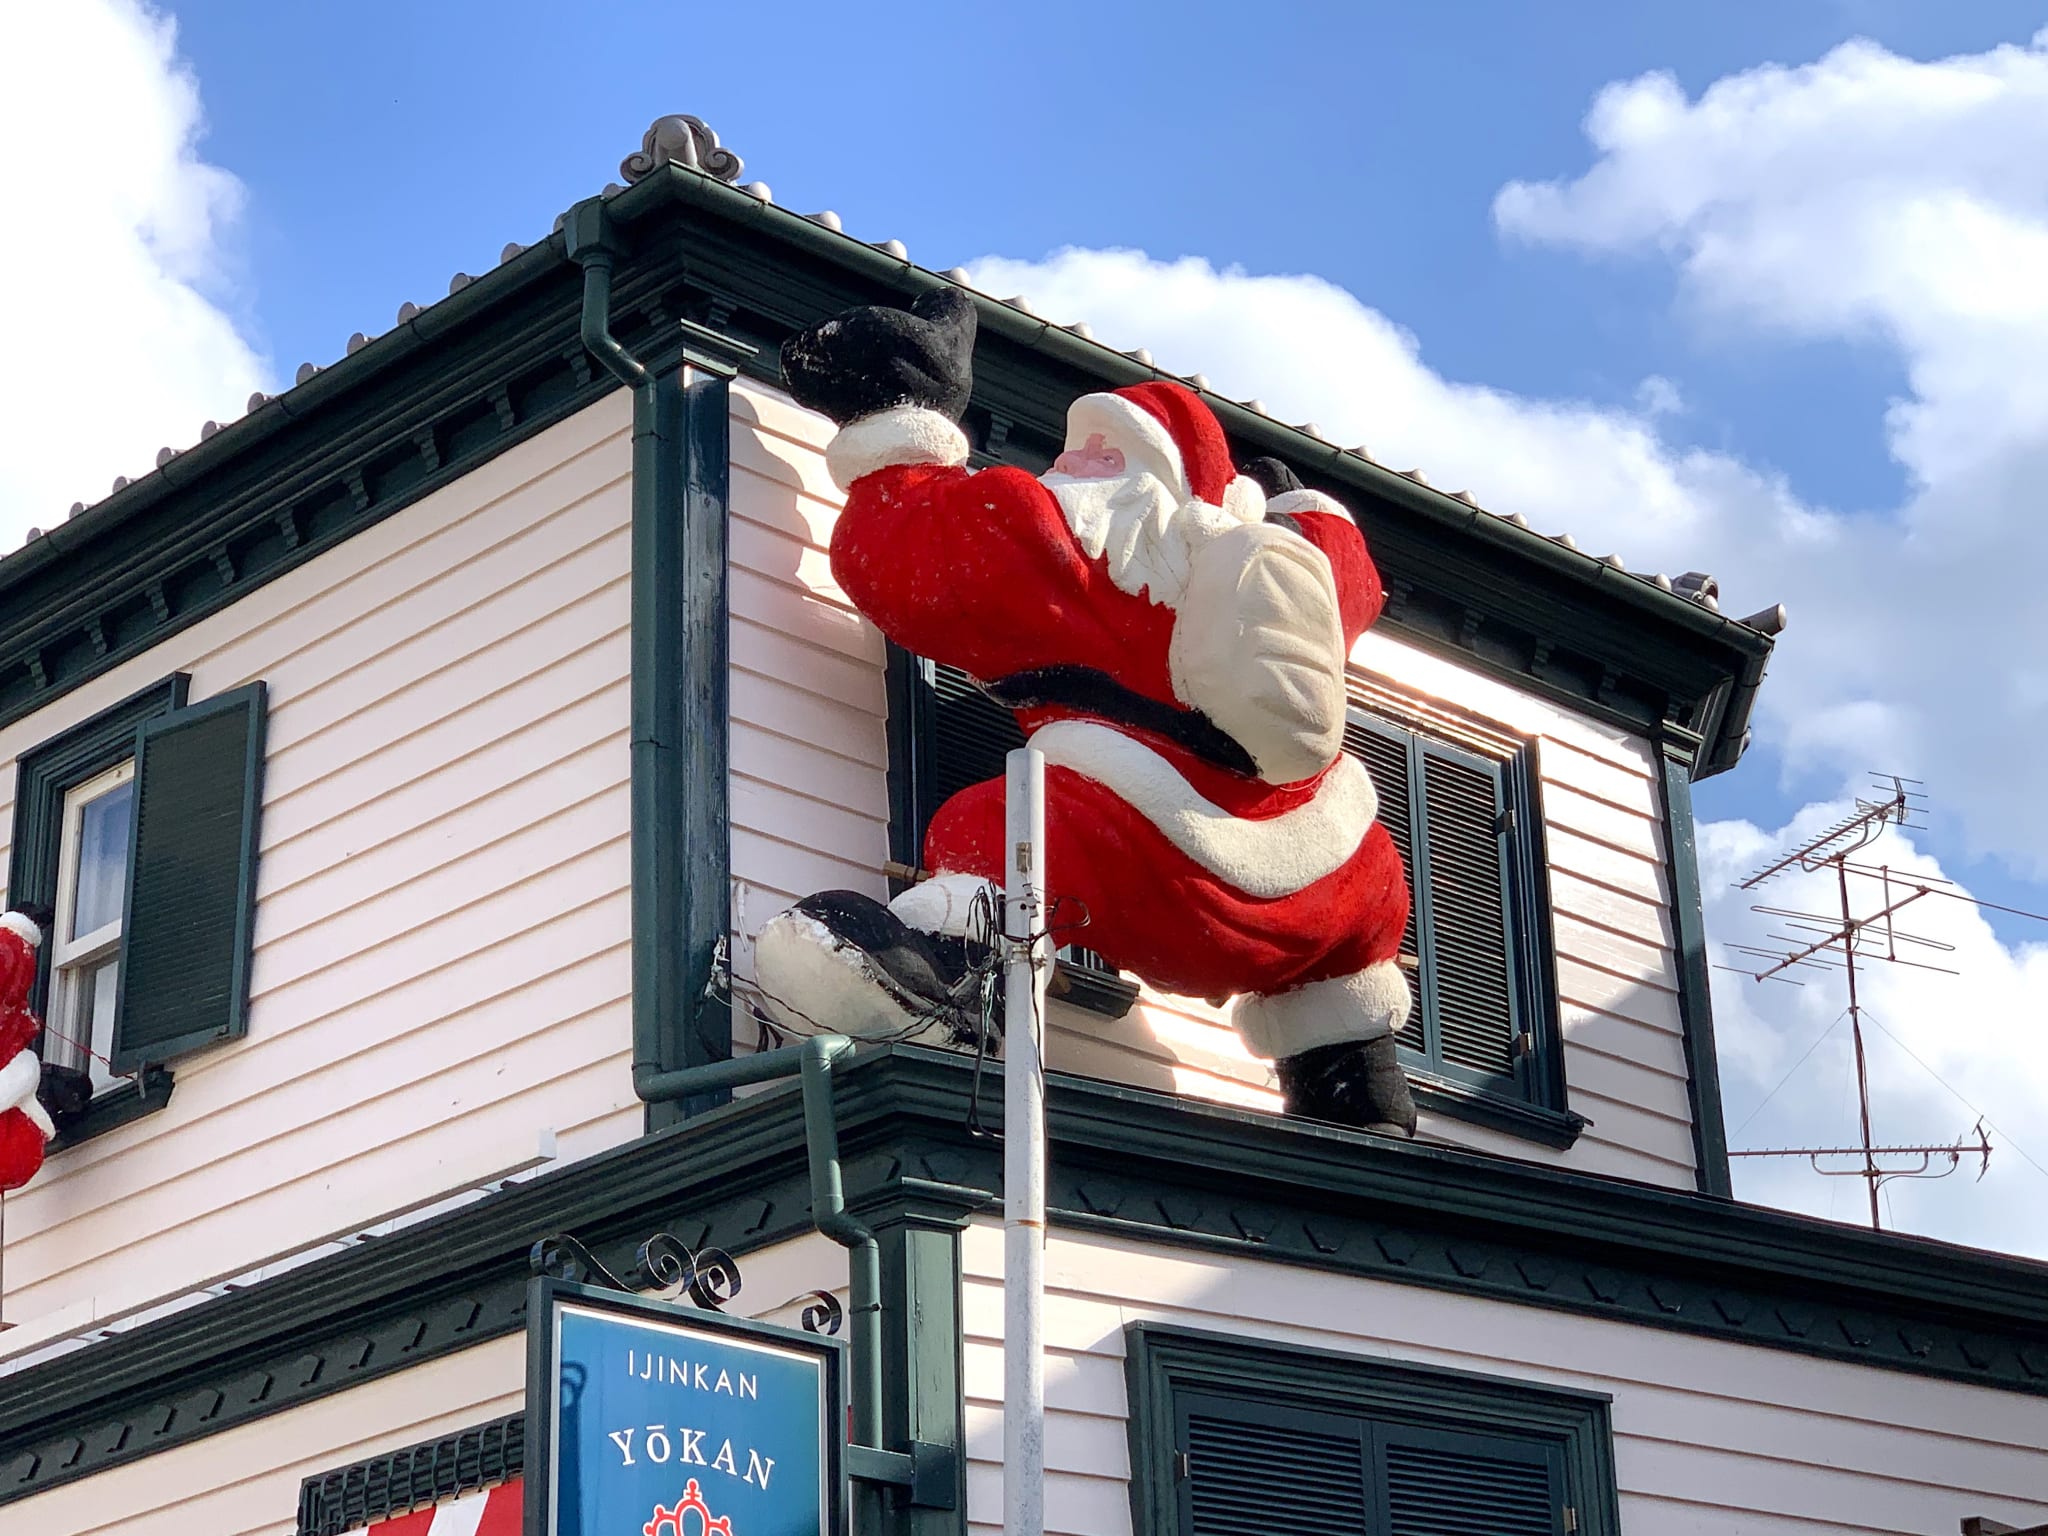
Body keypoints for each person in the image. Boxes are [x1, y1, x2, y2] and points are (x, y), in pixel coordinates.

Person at [755, 289, 1417, 1134]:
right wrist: (1305, 515)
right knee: (1362, 912)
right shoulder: (1279, 569)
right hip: (1332, 888)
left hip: (1148, 859)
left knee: (1000, 825)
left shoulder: (1074, 547)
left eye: (1095, 452)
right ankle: (1352, 1075)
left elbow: (915, 554)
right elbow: (1350, 583)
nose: (1071, 467)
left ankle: (944, 976)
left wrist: (899, 410)